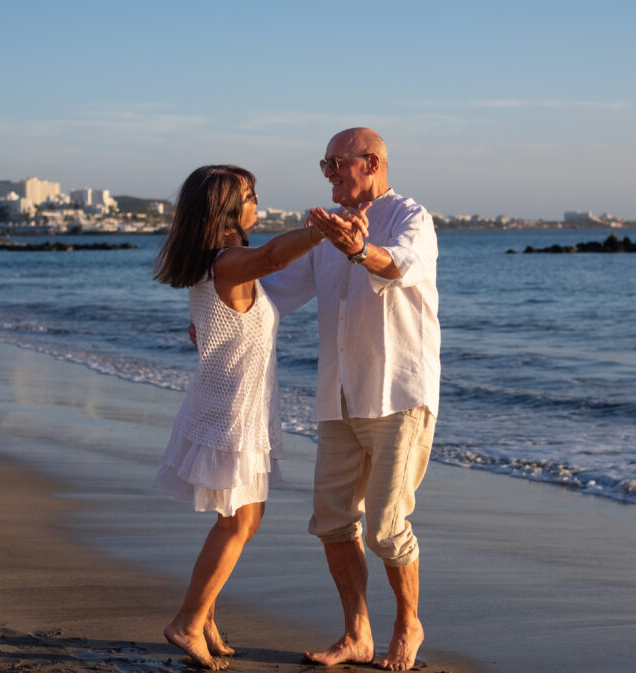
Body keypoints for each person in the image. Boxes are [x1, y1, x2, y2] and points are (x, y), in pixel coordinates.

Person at [261, 128, 440, 671]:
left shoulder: (412, 217)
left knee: (386, 525)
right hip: (338, 397)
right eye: (325, 165)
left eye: (336, 163)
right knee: (333, 522)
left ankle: (409, 626)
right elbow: (272, 293)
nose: (329, 173)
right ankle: (357, 635)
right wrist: (216, 318)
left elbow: (400, 264)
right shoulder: (325, 234)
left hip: (398, 394)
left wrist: (360, 249)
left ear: (372, 162)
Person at [152, 164, 325, 671]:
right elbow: (273, 256)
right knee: (239, 521)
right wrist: (323, 231)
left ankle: (202, 616)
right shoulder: (229, 260)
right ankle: (186, 622)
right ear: (225, 209)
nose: (258, 205)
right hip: (234, 410)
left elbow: (217, 323)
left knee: (244, 519)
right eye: (250, 197)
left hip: (234, 401)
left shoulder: (215, 262)